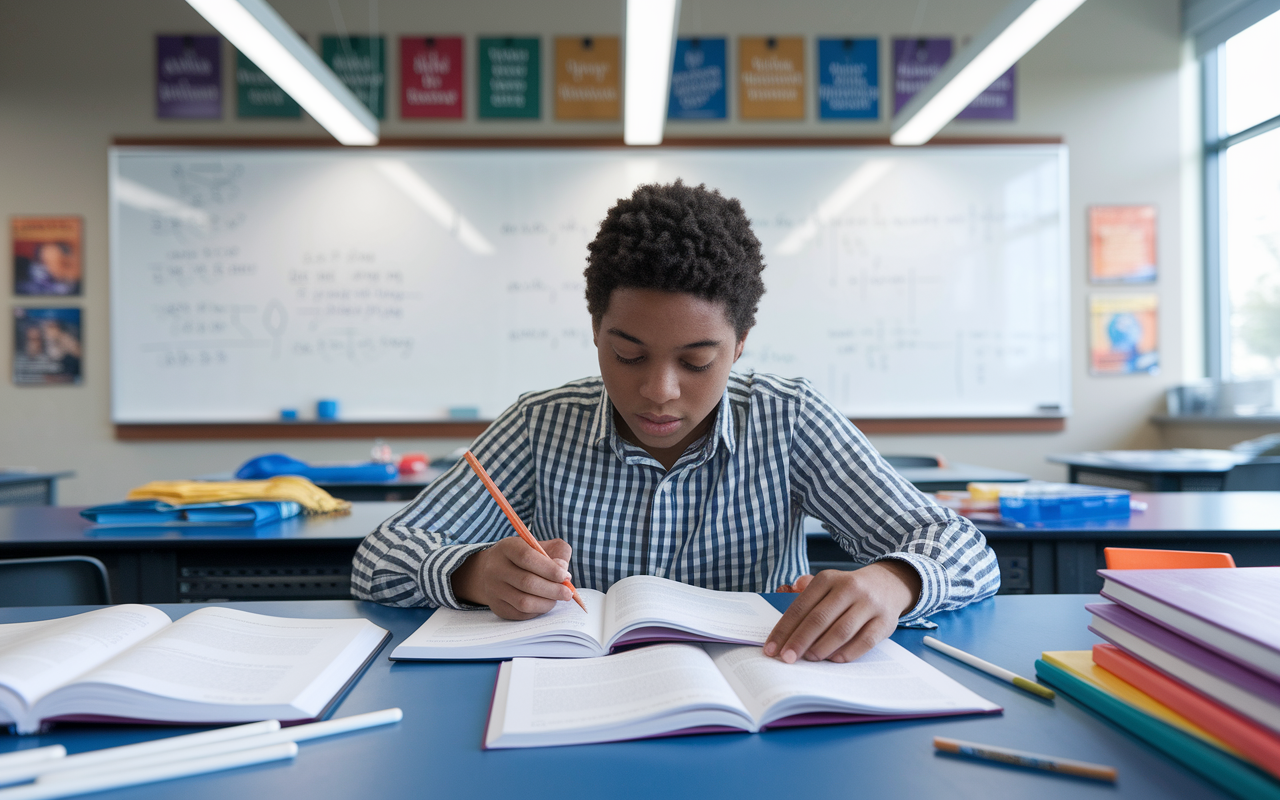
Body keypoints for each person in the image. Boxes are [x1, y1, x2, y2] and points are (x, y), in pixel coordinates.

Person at [352, 181, 999, 664]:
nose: (658, 392)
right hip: (579, 705)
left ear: (741, 344)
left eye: (696, 361)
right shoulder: (539, 427)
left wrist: (895, 581)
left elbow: (965, 550)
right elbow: (378, 558)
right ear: (596, 332)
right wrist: (471, 572)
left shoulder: (788, 420)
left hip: (757, 707)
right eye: (628, 354)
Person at [16, 242, 81, 296]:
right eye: (45, 262)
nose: (47, 267)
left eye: (53, 262)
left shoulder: (74, 284)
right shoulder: (27, 285)